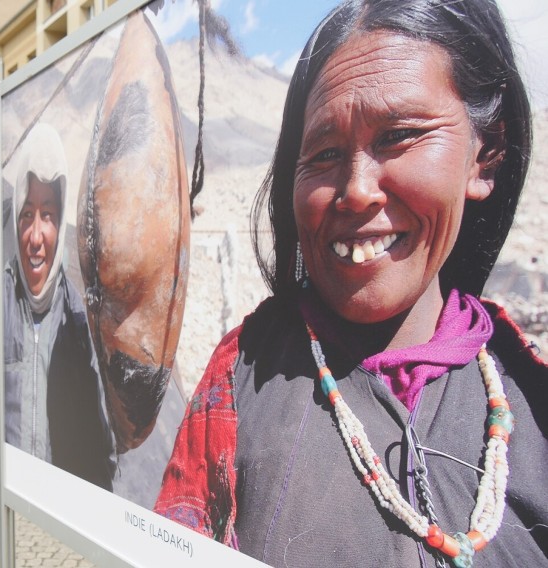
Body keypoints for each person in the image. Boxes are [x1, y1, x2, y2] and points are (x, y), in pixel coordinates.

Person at [154, 1, 548, 566]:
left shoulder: (532, 404)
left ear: (484, 159)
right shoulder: (239, 384)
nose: (357, 190)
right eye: (325, 153)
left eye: (400, 135)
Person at [3, 123, 115, 490]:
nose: (35, 237)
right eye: (27, 214)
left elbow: (102, 456)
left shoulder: (81, 324)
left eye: (48, 215)